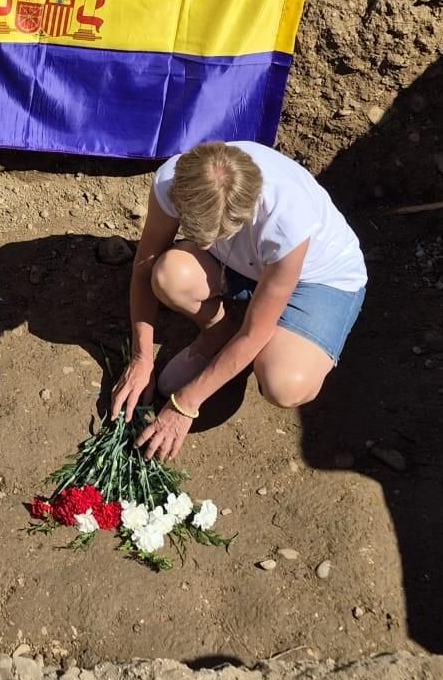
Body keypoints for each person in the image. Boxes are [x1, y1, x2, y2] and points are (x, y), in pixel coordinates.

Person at [112, 141, 367, 460]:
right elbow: (144, 268)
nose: (202, 243)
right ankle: (218, 333)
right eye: (197, 231)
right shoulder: (174, 180)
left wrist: (185, 404)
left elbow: (255, 332)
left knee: (284, 384)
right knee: (168, 275)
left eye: (217, 232)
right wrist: (142, 358)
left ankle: (281, 339)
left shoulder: (286, 218)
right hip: (246, 264)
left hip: (316, 279)